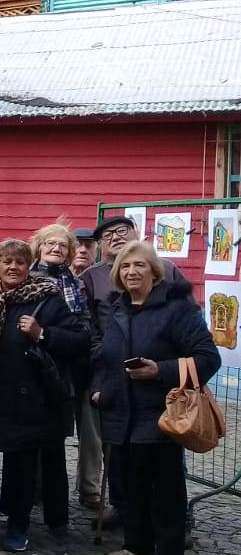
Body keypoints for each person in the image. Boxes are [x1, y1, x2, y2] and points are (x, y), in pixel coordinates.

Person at [95, 241, 219, 555]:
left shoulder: (177, 309)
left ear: (154, 271)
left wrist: (160, 371)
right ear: (118, 274)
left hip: (161, 412)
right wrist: (98, 389)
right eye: (125, 267)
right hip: (120, 411)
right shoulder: (117, 308)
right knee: (130, 483)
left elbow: (208, 358)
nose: (132, 271)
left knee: (164, 487)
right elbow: (103, 356)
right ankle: (137, 545)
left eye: (139, 265)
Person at [0, 238, 88, 553]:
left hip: (34, 395)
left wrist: (43, 333)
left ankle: (18, 525)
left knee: (23, 463)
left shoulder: (48, 298)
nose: (13, 267)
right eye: (6, 261)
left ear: (29, 266)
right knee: (1, 458)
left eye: (20, 262)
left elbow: (80, 340)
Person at [80, 215, 188, 523]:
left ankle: (172, 519)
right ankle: (124, 507)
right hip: (113, 373)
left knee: (164, 449)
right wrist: (102, 359)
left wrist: (168, 365)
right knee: (117, 447)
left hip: (159, 378)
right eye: (107, 235)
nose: (115, 237)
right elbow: (89, 324)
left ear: (136, 232)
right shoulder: (92, 276)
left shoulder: (167, 269)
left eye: (121, 231)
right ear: (100, 245)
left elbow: (189, 325)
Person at [29, 223, 96, 508]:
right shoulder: (27, 277)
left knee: (57, 433)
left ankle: (55, 499)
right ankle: (33, 489)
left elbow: (84, 328)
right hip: (35, 365)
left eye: (62, 245)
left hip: (70, 364)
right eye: (50, 244)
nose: (56, 249)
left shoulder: (77, 283)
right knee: (34, 432)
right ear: (39, 247)